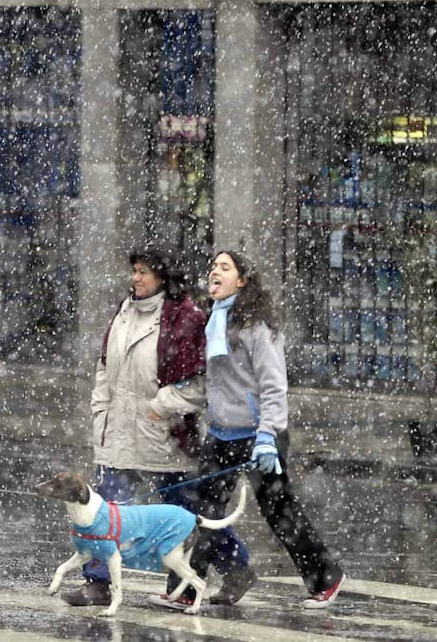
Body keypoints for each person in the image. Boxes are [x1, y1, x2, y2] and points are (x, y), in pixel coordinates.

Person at [60, 246, 252, 608]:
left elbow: (198, 383)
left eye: (144, 271)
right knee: (105, 511)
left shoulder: (185, 318)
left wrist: (159, 407)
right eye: (134, 270)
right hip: (117, 431)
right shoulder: (123, 311)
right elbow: (105, 365)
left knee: (181, 512)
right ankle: (98, 583)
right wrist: (100, 403)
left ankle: (236, 567)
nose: (136, 278)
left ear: (163, 277)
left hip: (164, 435)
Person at [175, 250, 346, 610]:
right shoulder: (215, 321)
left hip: (259, 436)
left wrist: (268, 436)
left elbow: (273, 385)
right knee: (204, 511)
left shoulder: (257, 327)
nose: (214, 272)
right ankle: (188, 588)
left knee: (279, 510)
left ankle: (325, 577)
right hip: (221, 434)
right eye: (213, 267)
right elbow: (214, 384)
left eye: (225, 267)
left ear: (242, 281)